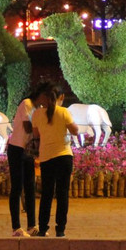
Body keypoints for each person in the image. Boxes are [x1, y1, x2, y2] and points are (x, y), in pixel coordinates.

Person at [30, 83, 78, 238]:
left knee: (47, 194)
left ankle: (43, 228)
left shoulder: (37, 114)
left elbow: (36, 135)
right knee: (62, 193)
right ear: (61, 97)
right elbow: (75, 131)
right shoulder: (64, 112)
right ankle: (60, 229)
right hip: (64, 156)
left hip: (46, 157)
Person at [7, 82, 48, 237]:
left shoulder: (39, 109)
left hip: (28, 150)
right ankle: (16, 227)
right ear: (41, 94)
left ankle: (32, 225)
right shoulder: (27, 103)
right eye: (47, 97)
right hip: (17, 148)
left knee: (30, 187)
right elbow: (27, 126)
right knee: (17, 187)